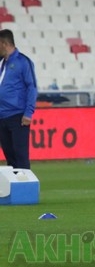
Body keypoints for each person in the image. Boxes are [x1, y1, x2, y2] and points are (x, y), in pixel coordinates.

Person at [0, 29, 37, 169]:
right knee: (10, 157)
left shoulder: (23, 61)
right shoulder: (2, 63)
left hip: (17, 116)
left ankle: (26, 189)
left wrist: (28, 113)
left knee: (20, 156)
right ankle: (15, 189)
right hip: (2, 116)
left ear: (4, 43)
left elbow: (32, 87)